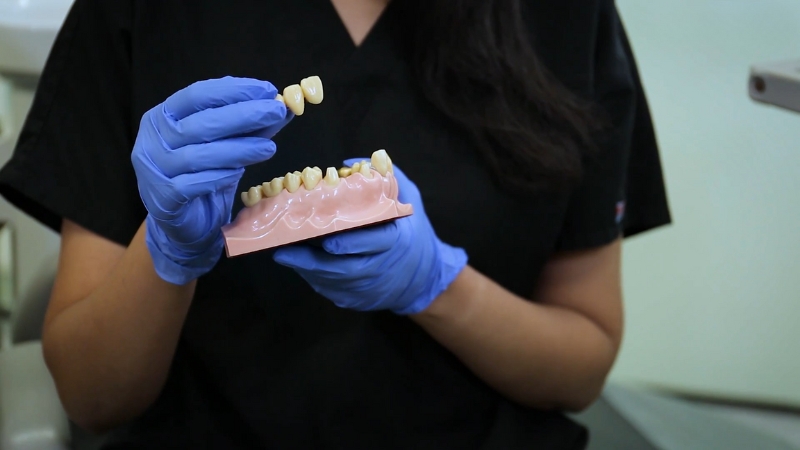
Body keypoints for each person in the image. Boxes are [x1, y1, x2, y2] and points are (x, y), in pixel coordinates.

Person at [0, 0, 670, 448]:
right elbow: (90, 396)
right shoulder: (143, 12)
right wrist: (165, 250)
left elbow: (581, 367)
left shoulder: (565, 18)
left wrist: (437, 287)